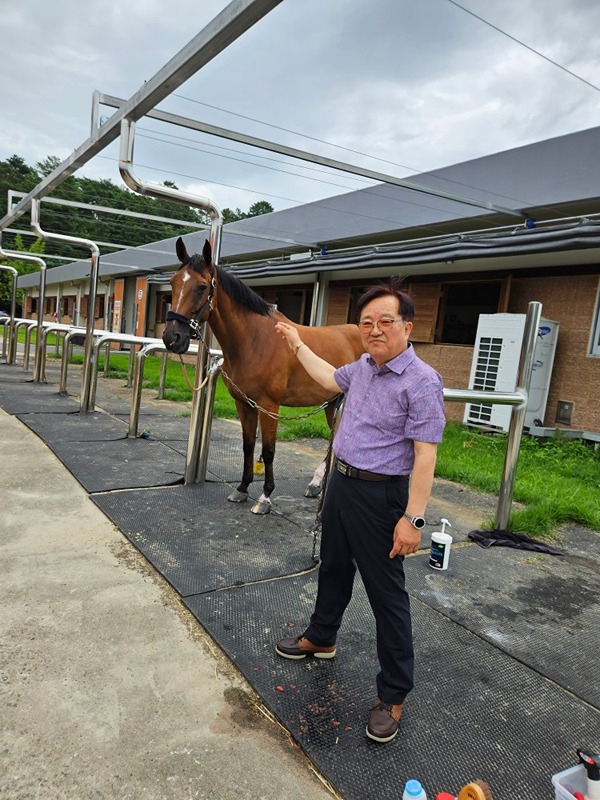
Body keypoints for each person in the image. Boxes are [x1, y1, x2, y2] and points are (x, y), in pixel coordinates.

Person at [274, 278, 445, 744]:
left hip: (382, 497)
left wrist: (413, 519)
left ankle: (392, 694)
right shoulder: (364, 366)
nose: (375, 329)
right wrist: (294, 341)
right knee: (332, 567)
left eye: (385, 321)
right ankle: (321, 636)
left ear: (407, 327)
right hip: (342, 485)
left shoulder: (422, 382)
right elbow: (328, 377)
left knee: (386, 596)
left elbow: (426, 457)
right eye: (367, 322)